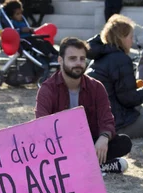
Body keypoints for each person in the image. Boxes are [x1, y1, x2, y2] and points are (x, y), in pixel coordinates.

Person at [35, 37, 133, 174]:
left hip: (89, 143)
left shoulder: (96, 87)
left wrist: (104, 137)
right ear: (60, 60)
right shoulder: (47, 89)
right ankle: (96, 166)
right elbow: (41, 126)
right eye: (73, 59)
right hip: (59, 146)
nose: (79, 63)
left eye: (82, 59)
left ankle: (78, 166)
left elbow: (107, 119)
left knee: (123, 142)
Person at [87, 15, 143, 139]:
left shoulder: (98, 57)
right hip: (118, 125)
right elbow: (130, 99)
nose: (132, 41)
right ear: (121, 38)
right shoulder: (120, 59)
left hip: (103, 122)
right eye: (130, 37)